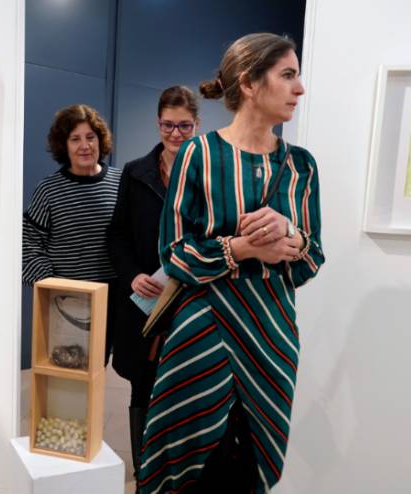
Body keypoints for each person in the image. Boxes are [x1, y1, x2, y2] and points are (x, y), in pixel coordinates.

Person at [137, 33, 325, 494]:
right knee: (193, 472)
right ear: (249, 83)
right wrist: (243, 249)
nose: (299, 88)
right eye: (287, 75)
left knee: (247, 471)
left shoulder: (301, 166)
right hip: (203, 335)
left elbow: (311, 260)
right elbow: (174, 253)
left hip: (271, 337)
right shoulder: (199, 154)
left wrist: (289, 232)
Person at [107, 86, 200, 476]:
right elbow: (117, 235)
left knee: (185, 386)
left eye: (184, 126)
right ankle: (145, 472)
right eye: (168, 125)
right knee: (142, 386)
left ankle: (176, 472)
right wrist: (133, 276)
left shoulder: (208, 173)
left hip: (191, 299)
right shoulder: (135, 172)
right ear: (158, 123)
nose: (175, 133)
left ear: (197, 124)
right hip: (144, 300)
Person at [22, 104, 121, 359]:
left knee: (100, 365)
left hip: (114, 296)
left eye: (90, 137)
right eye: (75, 139)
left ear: (100, 141)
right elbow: (27, 243)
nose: (84, 146)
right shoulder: (49, 190)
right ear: (63, 146)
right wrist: (53, 285)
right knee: (68, 368)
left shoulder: (121, 183)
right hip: (67, 299)